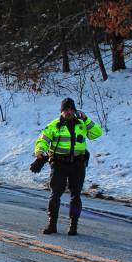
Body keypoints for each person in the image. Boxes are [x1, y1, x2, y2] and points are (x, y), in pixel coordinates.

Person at [31, 97, 103, 235]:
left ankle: (73, 226)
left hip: (78, 164)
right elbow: (42, 140)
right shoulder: (54, 125)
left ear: (75, 110)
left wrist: (86, 119)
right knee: (55, 195)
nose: (69, 112)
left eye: (71, 109)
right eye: (66, 110)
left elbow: (97, 133)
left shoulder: (82, 124)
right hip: (59, 165)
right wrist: (40, 152)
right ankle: (52, 225)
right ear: (62, 111)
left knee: (76, 196)